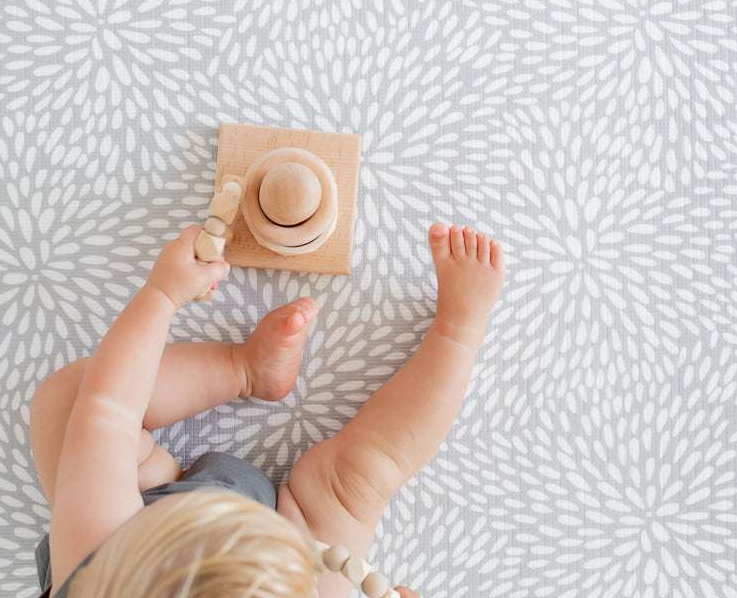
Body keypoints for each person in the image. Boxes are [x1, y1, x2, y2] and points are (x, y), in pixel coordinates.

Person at [29, 222, 506, 598]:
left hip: (151, 508)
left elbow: (108, 410)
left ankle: (243, 368)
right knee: (355, 482)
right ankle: (458, 330)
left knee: (69, 405)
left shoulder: (94, 560)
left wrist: (163, 295)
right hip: (300, 554)